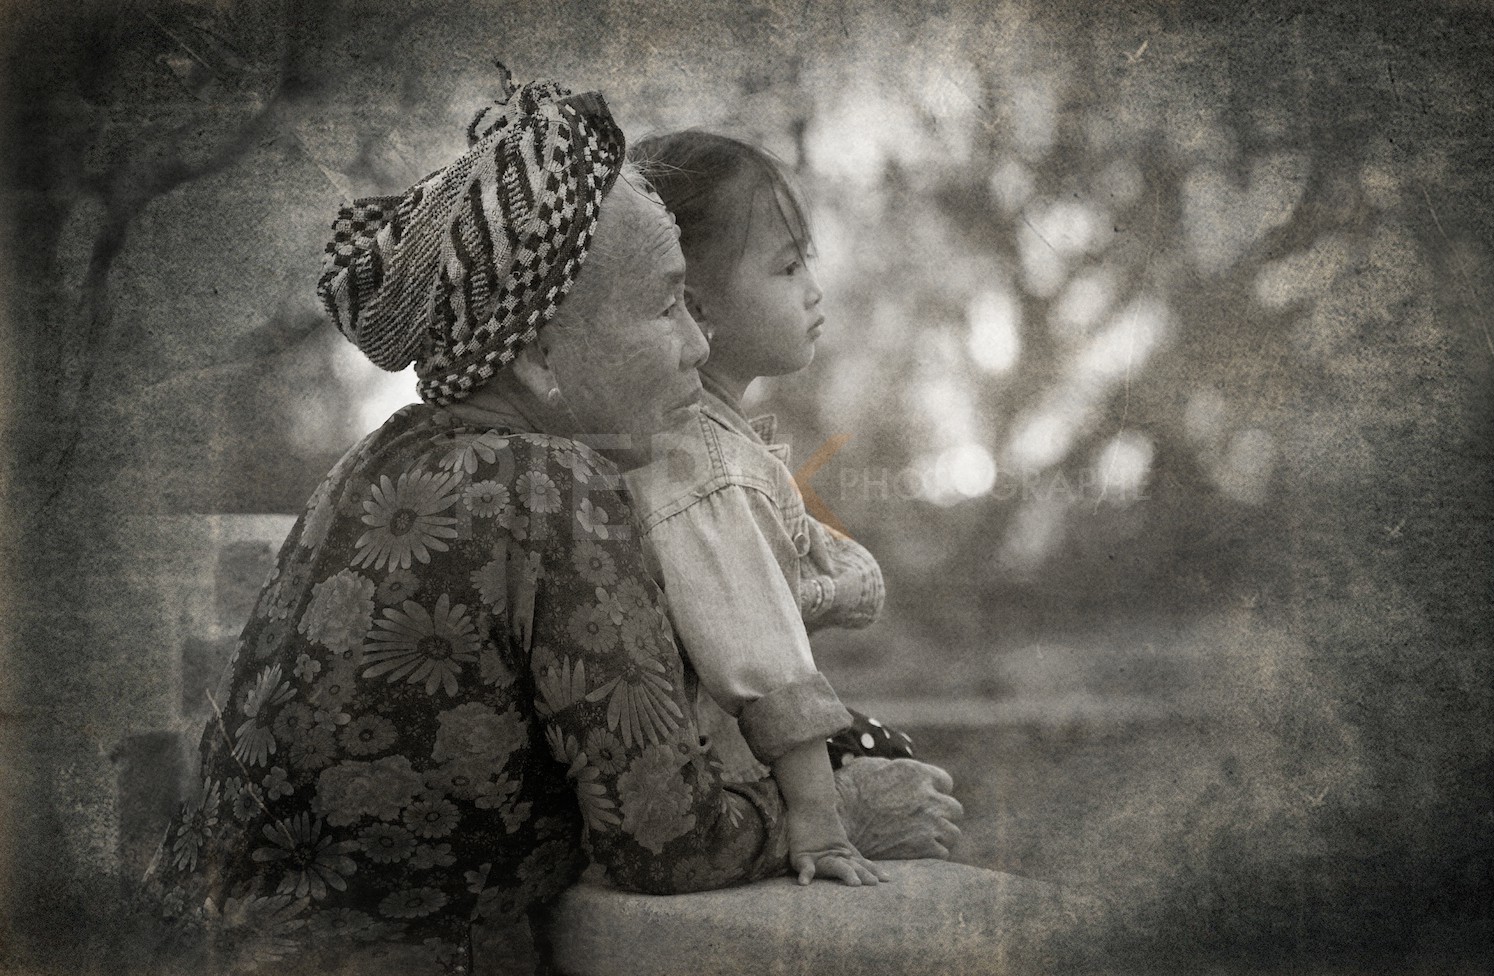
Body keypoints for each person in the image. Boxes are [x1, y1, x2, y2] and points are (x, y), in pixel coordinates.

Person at [142, 77, 961, 975]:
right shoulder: (553, 488)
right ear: (537, 356)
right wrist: (847, 811)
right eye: (666, 307)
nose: (697, 344)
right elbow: (668, 842)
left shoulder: (376, 460)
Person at [619, 131, 920, 883]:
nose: (813, 288)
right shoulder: (708, 463)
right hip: (717, 774)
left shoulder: (713, 444)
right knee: (900, 769)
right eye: (788, 267)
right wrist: (820, 823)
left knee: (896, 760)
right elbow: (764, 660)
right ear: (694, 306)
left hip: (712, 749)